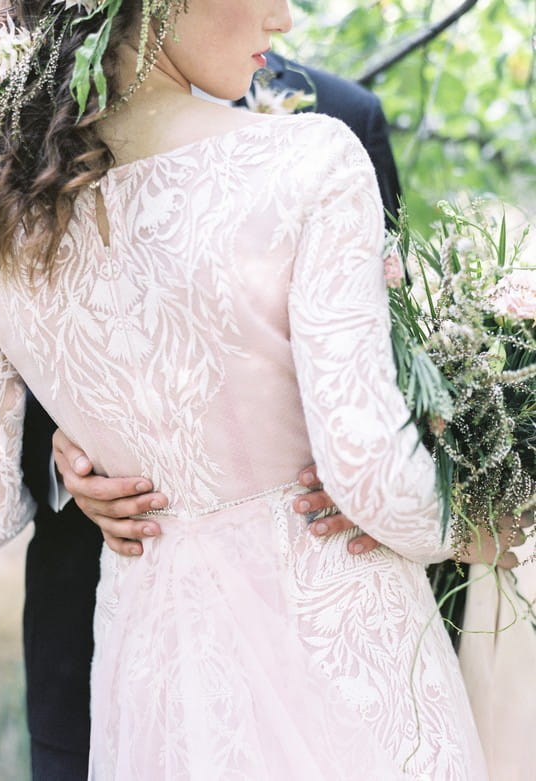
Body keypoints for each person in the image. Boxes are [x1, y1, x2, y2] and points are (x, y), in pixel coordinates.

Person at [0, 1, 488, 778]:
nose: (285, 20)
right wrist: (490, 514)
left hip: (156, 681)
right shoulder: (311, 165)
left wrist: (98, 416)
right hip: (339, 660)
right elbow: (374, 478)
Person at [24, 47, 403, 780]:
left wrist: (377, 467)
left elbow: (393, 356)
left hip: (313, 642)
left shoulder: (340, 119)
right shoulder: (28, 127)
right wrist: (60, 454)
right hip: (103, 622)